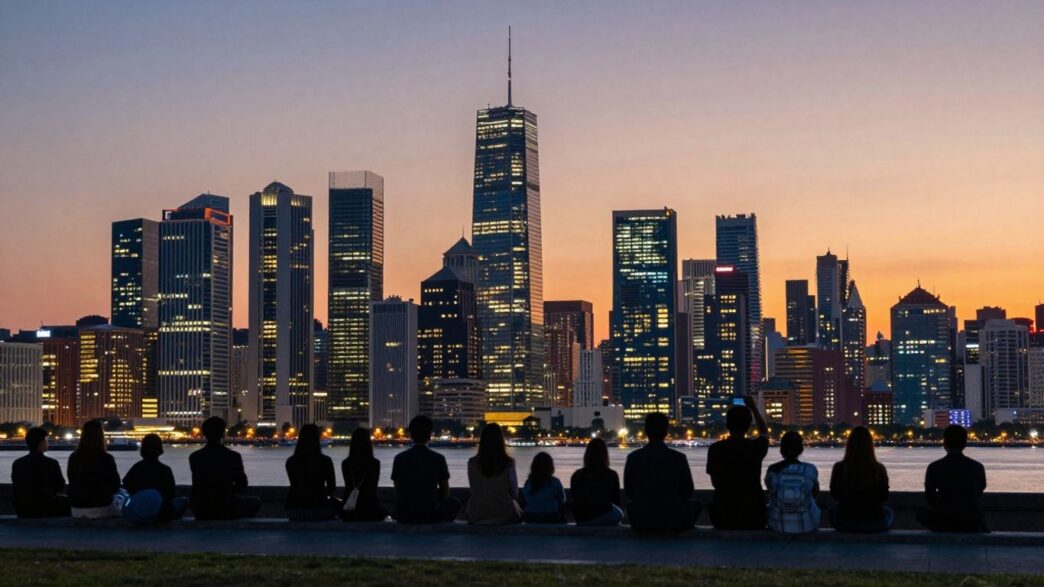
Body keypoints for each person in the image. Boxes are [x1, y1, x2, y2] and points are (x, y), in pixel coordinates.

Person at [623, 412, 698, 532]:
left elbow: (629, 491)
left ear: (646, 432)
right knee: (696, 504)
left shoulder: (633, 457)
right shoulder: (679, 458)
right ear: (665, 432)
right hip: (672, 519)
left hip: (641, 520)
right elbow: (688, 491)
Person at [706, 396, 769, 530]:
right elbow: (764, 432)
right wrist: (753, 408)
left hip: (722, 517)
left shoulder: (715, 449)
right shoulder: (755, 447)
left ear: (727, 425)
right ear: (748, 426)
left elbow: (714, 483)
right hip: (753, 516)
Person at [916, 425, 988, 533]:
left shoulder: (934, 467)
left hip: (944, 519)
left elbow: (930, 497)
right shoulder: (977, 466)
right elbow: (979, 490)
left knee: (921, 513)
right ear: (965, 444)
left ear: (945, 443)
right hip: (971, 520)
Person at [189, 416, 262, 520]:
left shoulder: (194, 457)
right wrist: (225, 490)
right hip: (224, 505)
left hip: (200, 507)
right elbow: (242, 484)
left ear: (204, 433)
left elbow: (197, 483)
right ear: (223, 433)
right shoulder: (233, 456)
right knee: (255, 502)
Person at [391, 415, 460, 523]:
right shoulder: (438, 458)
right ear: (429, 435)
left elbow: (398, 490)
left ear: (411, 435)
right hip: (430, 513)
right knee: (455, 502)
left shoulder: (399, 458)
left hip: (405, 513)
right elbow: (445, 492)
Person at [829, 426, 892, 533]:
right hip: (874, 523)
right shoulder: (879, 469)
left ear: (849, 444)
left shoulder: (839, 467)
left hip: (845, 522)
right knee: (889, 513)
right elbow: (884, 496)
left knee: (831, 512)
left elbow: (834, 494)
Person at [122, 434, 188, 523]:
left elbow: (126, 484)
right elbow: (171, 494)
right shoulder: (165, 470)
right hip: (160, 513)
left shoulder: (136, 467)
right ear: (160, 450)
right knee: (184, 500)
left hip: (138, 512)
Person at [765, 431, 821, 534]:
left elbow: (772, 493)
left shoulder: (773, 470)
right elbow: (815, 494)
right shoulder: (810, 470)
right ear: (801, 450)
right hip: (807, 526)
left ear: (781, 450)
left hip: (777, 525)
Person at [67, 421, 126, 519]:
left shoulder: (74, 457)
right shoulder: (106, 458)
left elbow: (72, 480)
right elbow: (115, 486)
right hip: (101, 508)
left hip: (76, 509)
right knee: (123, 497)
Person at [466, 423, 522, 525]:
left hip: (477, 513)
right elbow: (514, 492)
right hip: (504, 512)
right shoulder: (508, 462)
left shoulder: (472, 463)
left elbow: (473, 488)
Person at [10, 427, 70, 518]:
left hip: (22, 509)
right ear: (41, 443)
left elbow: (16, 484)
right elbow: (60, 485)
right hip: (45, 508)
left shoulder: (18, 463)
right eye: (46, 440)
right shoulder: (51, 463)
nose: (47, 443)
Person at [285, 424, 340, 521]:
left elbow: (294, 484)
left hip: (293, 511)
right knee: (338, 504)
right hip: (317, 510)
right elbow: (332, 488)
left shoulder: (291, 461)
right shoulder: (325, 461)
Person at [570, 437, 623, 526]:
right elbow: (616, 500)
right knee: (619, 513)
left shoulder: (577, 475)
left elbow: (575, 498)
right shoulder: (611, 475)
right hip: (604, 516)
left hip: (583, 518)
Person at [341, 427, 388, 522]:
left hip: (349, 510)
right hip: (370, 508)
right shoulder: (375, 463)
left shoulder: (346, 463)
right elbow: (373, 488)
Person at [520, 452, 566, 524]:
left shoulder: (528, 482)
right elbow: (562, 500)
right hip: (550, 516)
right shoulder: (555, 482)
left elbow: (525, 498)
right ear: (550, 466)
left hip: (530, 516)